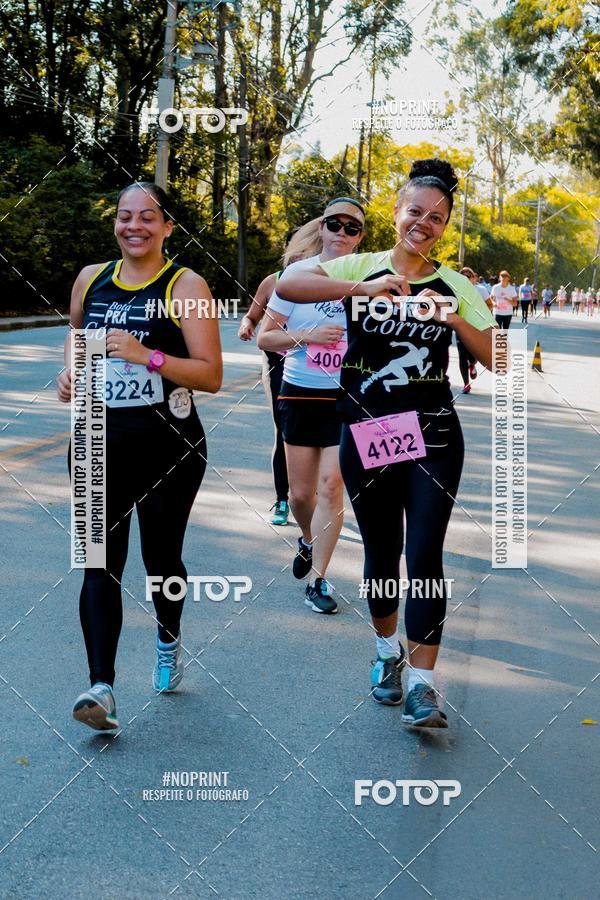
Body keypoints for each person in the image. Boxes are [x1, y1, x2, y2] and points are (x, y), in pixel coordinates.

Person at [277, 158, 497, 728]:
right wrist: (363, 287)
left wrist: (451, 317)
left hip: (435, 436)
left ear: (445, 226)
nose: (423, 222)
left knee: (423, 553)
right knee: (381, 551)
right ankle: (385, 653)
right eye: (414, 211)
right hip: (370, 432)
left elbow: (501, 359)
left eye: (436, 217)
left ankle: (424, 684)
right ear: (397, 213)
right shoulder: (361, 265)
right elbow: (289, 283)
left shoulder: (456, 286)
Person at [57, 182, 222, 731]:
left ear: (167, 226)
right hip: (97, 440)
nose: (134, 227)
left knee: (161, 560)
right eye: (125, 216)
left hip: (167, 447)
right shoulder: (91, 278)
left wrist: (144, 354)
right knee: (98, 562)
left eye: (148, 218)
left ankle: (168, 643)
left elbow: (211, 375)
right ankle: (100, 687)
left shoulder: (185, 284)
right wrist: (72, 372)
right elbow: (77, 335)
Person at [258, 198, 365, 615]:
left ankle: (319, 579)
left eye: (351, 227)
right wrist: (309, 337)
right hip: (300, 392)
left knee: (330, 488)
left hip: (347, 398)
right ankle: (306, 538)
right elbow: (267, 337)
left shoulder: (371, 279)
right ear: (322, 228)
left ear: (360, 238)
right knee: (301, 495)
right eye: (334, 224)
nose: (342, 231)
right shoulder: (297, 276)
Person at [237, 225, 321, 527]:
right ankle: (283, 499)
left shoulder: (325, 283)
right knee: (283, 431)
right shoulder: (274, 282)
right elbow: (254, 315)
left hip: (316, 367)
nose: (300, 257)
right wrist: (246, 324)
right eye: (296, 251)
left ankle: (315, 496)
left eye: (307, 252)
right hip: (277, 364)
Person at [458, 267, 481, 392]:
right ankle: (466, 384)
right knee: (462, 355)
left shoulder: (481, 290)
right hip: (460, 326)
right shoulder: (455, 289)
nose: (465, 278)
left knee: (473, 354)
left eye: (468, 276)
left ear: (473, 278)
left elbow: (489, 304)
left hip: (476, 327)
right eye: (463, 276)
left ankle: (472, 363)